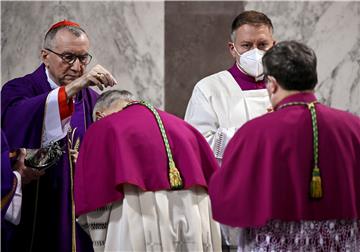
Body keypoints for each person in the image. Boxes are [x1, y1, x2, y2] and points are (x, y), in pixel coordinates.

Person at [209, 41, 360, 251]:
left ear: (271, 83)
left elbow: (229, 206)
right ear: (313, 79)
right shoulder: (354, 127)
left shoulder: (253, 133)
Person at [1, 20, 117, 252]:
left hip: (80, 214)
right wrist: (73, 89)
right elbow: (15, 125)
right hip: (35, 210)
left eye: (83, 58)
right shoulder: (19, 89)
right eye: (68, 57)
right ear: (45, 55)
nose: (77, 67)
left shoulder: (93, 101)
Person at [74, 90, 222, 251]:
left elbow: (95, 201)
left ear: (99, 115)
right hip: (195, 220)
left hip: (138, 221)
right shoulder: (182, 126)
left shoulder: (105, 127)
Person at [184, 10, 276, 248]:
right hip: (234, 194)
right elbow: (196, 144)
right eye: (246, 45)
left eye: (262, 44)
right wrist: (253, 135)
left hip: (278, 194)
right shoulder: (210, 88)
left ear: (273, 46)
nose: (255, 52)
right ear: (232, 48)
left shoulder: (285, 87)